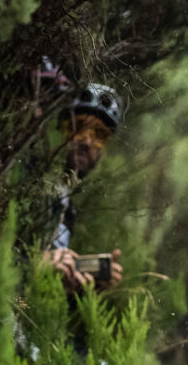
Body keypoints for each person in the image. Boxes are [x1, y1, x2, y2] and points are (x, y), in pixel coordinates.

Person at [40, 81, 125, 294]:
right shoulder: (31, 185)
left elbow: (43, 294)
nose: (87, 141)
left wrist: (86, 289)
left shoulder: (67, 207)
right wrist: (36, 266)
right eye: (79, 127)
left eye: (99, 135)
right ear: (61, 128)